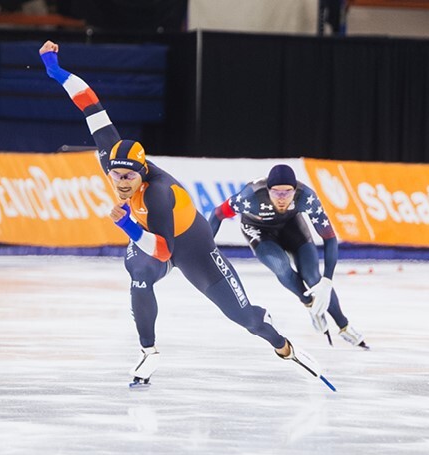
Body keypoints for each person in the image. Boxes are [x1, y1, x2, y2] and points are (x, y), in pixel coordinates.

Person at [38, 40, 326, 387]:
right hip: (156, 237)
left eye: (129, 177)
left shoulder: (158, 193)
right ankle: (148, 351)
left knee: (244, 318)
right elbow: (90, 104)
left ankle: (284, 347)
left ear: (143, 172)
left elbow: (164, 250)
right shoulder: (110, 156)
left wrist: (127, 223)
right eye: (116, 176)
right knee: (139, 274)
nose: (122, 184)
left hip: (193, 248)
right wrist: (56, 70)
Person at [208, 164, 369, 350]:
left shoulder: (306, 197)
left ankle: (344, 326)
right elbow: (217, 214)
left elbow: (330, 237)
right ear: (268, 190)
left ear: (295, 190)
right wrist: (205, 249)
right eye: (276, 193)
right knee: (281, 266)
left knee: (313, 277)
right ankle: (309, 303)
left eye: (287, 192)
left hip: (291, 226)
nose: (282, 198)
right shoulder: (250, 197)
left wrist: (327, 281)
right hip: (259, 230)